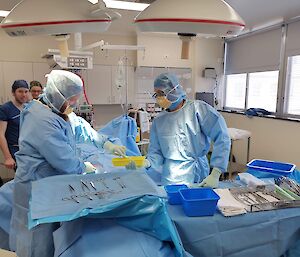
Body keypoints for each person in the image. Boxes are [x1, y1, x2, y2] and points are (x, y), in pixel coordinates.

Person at [9, 70, 126, 257]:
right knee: (36, 241)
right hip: (35, 188)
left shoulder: (55, 112)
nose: (74, 104)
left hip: (50, 186)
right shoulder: (42, 120)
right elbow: (64, 161)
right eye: (71, 100)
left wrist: (104, 142)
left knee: (50, 237)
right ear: (57, 94)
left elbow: (81, 129)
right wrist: (85, 168)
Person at [145, 73, 231, 187]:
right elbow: (156, 152)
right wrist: (146, 162)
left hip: (197, 173)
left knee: (195, 203)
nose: (159, 98)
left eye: (162, 93)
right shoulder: (159, 121)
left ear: (174, 90)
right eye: (157, 94)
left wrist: (216, 173)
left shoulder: (198, 109)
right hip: (170, 176)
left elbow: (222, 137)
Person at [0, 80, 30, 170]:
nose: (23, 94)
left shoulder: (29, 107)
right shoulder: (6, 109)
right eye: (20, 91)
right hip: (16, 150)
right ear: (13, 93)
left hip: (30, 149)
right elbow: (1, 134)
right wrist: (8, 157)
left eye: (26, 91)